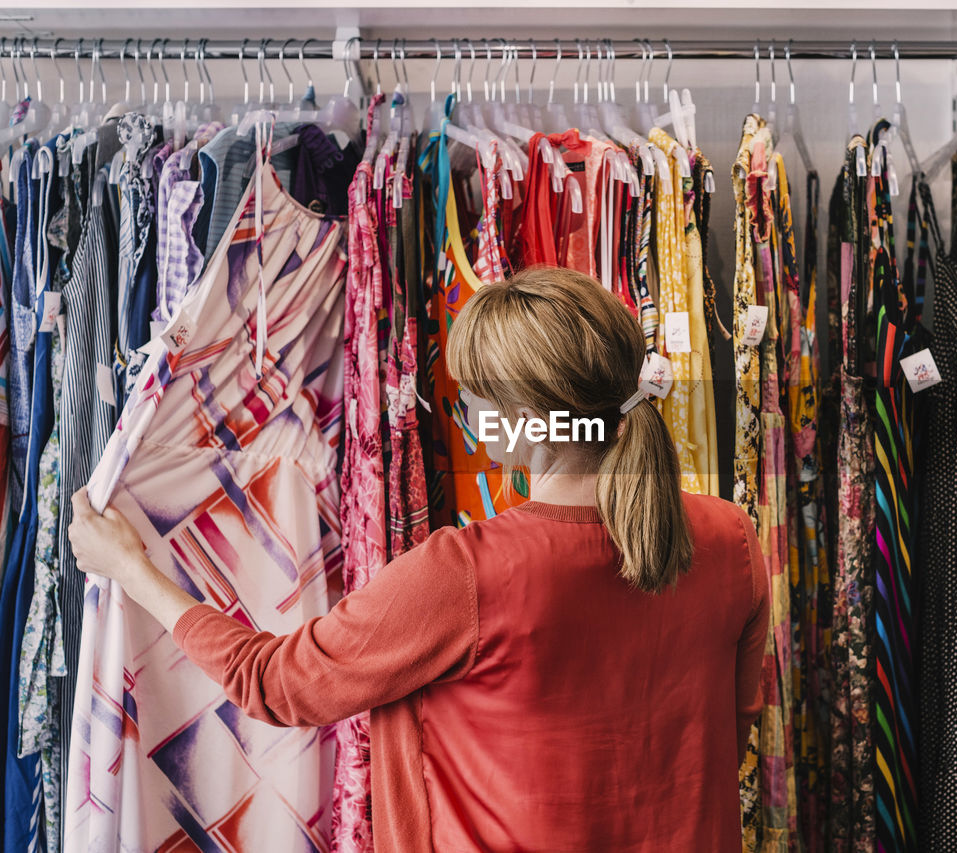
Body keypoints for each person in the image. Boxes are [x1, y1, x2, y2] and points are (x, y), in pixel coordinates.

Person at [69, 266, 768, 852]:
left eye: (472, 406)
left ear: (526, 420)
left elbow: (277, 683)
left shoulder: (469, 574)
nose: (466, 421)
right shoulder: (729, 539)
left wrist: (134, 570)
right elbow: (724, 740)